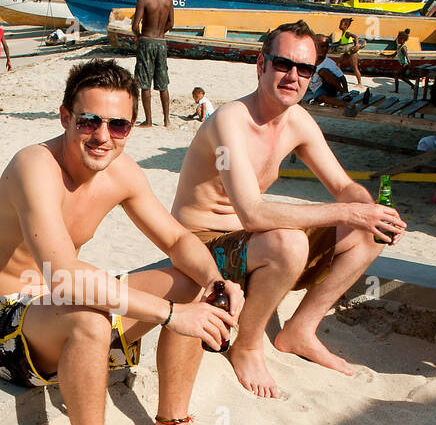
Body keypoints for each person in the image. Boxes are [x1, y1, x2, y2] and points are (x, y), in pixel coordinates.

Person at [0, 60, 244, 425]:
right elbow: (62, 276)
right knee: (89, 317)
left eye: (118, 124)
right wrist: (172, 315)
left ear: (130, 128)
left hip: (62, 308)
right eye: (89, 121)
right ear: (65, 117)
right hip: (7, 325)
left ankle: (171, 423)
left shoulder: (121, 171)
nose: (103, 136)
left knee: (190, 282)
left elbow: (178, 239)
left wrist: (216, 281)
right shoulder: (34, 165)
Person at [171, 21, 406, 397]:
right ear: (261, 65)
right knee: (292, 243)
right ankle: (247, 346)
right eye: (283, 64)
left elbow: (343, 186)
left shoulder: (296, 121)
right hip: (199, 243)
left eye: (305, 69)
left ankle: (300, 330)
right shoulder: (230, 122)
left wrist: (370, 210)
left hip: (249, 241)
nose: (293, 76)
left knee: (370, 229)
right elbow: (251, 213)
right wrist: (346, 213)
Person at [131, 0, 174, 127]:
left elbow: (135, 25)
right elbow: (171, 22)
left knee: (144, 82)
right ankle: (166, 120)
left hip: (147, 41)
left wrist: (138, 36)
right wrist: (160, 33)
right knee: (163, 82)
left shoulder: (144, 0)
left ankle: (149, 121)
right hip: (161, 42)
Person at [305, 34, 352, 111]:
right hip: (318, 90)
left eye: (327, 47)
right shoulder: (308, 61)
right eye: (322, 47)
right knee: (321, 97)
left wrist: (345, 91)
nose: (325, 49)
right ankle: (343, 104)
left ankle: (345, 98)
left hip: (330, 87)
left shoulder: (329, 63)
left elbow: (342, 77)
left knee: (322, 71)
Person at [328, 17, 365, 86]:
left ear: (345, 25)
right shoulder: (343, 33)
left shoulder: (347, 33)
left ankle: (360, 83)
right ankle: (339, 77)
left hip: (352, 52)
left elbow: (355, 36)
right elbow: (342, 43)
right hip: (347, 52)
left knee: (354, 67)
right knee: (338, 63)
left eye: (341, 24)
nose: (339, 25)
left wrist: (357, 45)